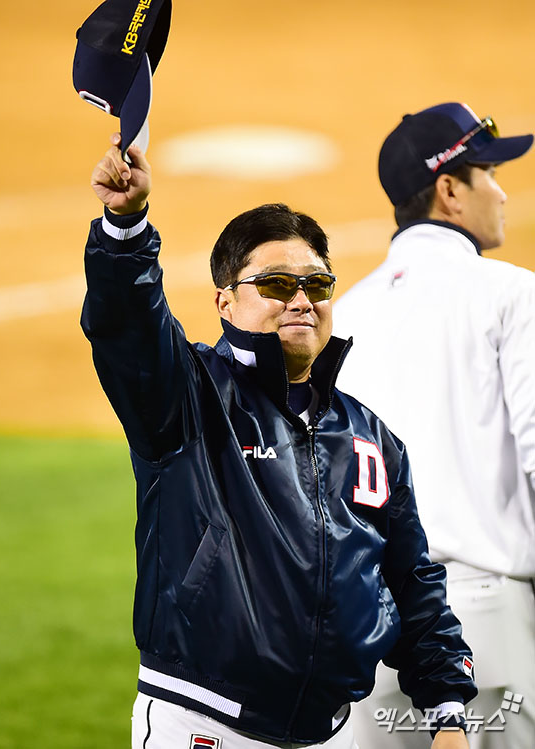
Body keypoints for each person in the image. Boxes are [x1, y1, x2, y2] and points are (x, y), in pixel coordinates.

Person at [82, 132, 477, 749]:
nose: (300, 300)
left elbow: (413, 582)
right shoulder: (189, 397)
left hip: (330, 733)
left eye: (316, 285)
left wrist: (446, 710)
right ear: (225, 301)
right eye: (274, 285)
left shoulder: (372, 439)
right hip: (205, 723)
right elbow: (127, 323)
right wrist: (125, 228)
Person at [333, 102, 535, 749]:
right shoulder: (511, 294)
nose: (502, 192)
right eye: (489, 174)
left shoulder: (342, 316)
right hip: (486, 631)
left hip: (365, 632)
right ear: (450, 189)